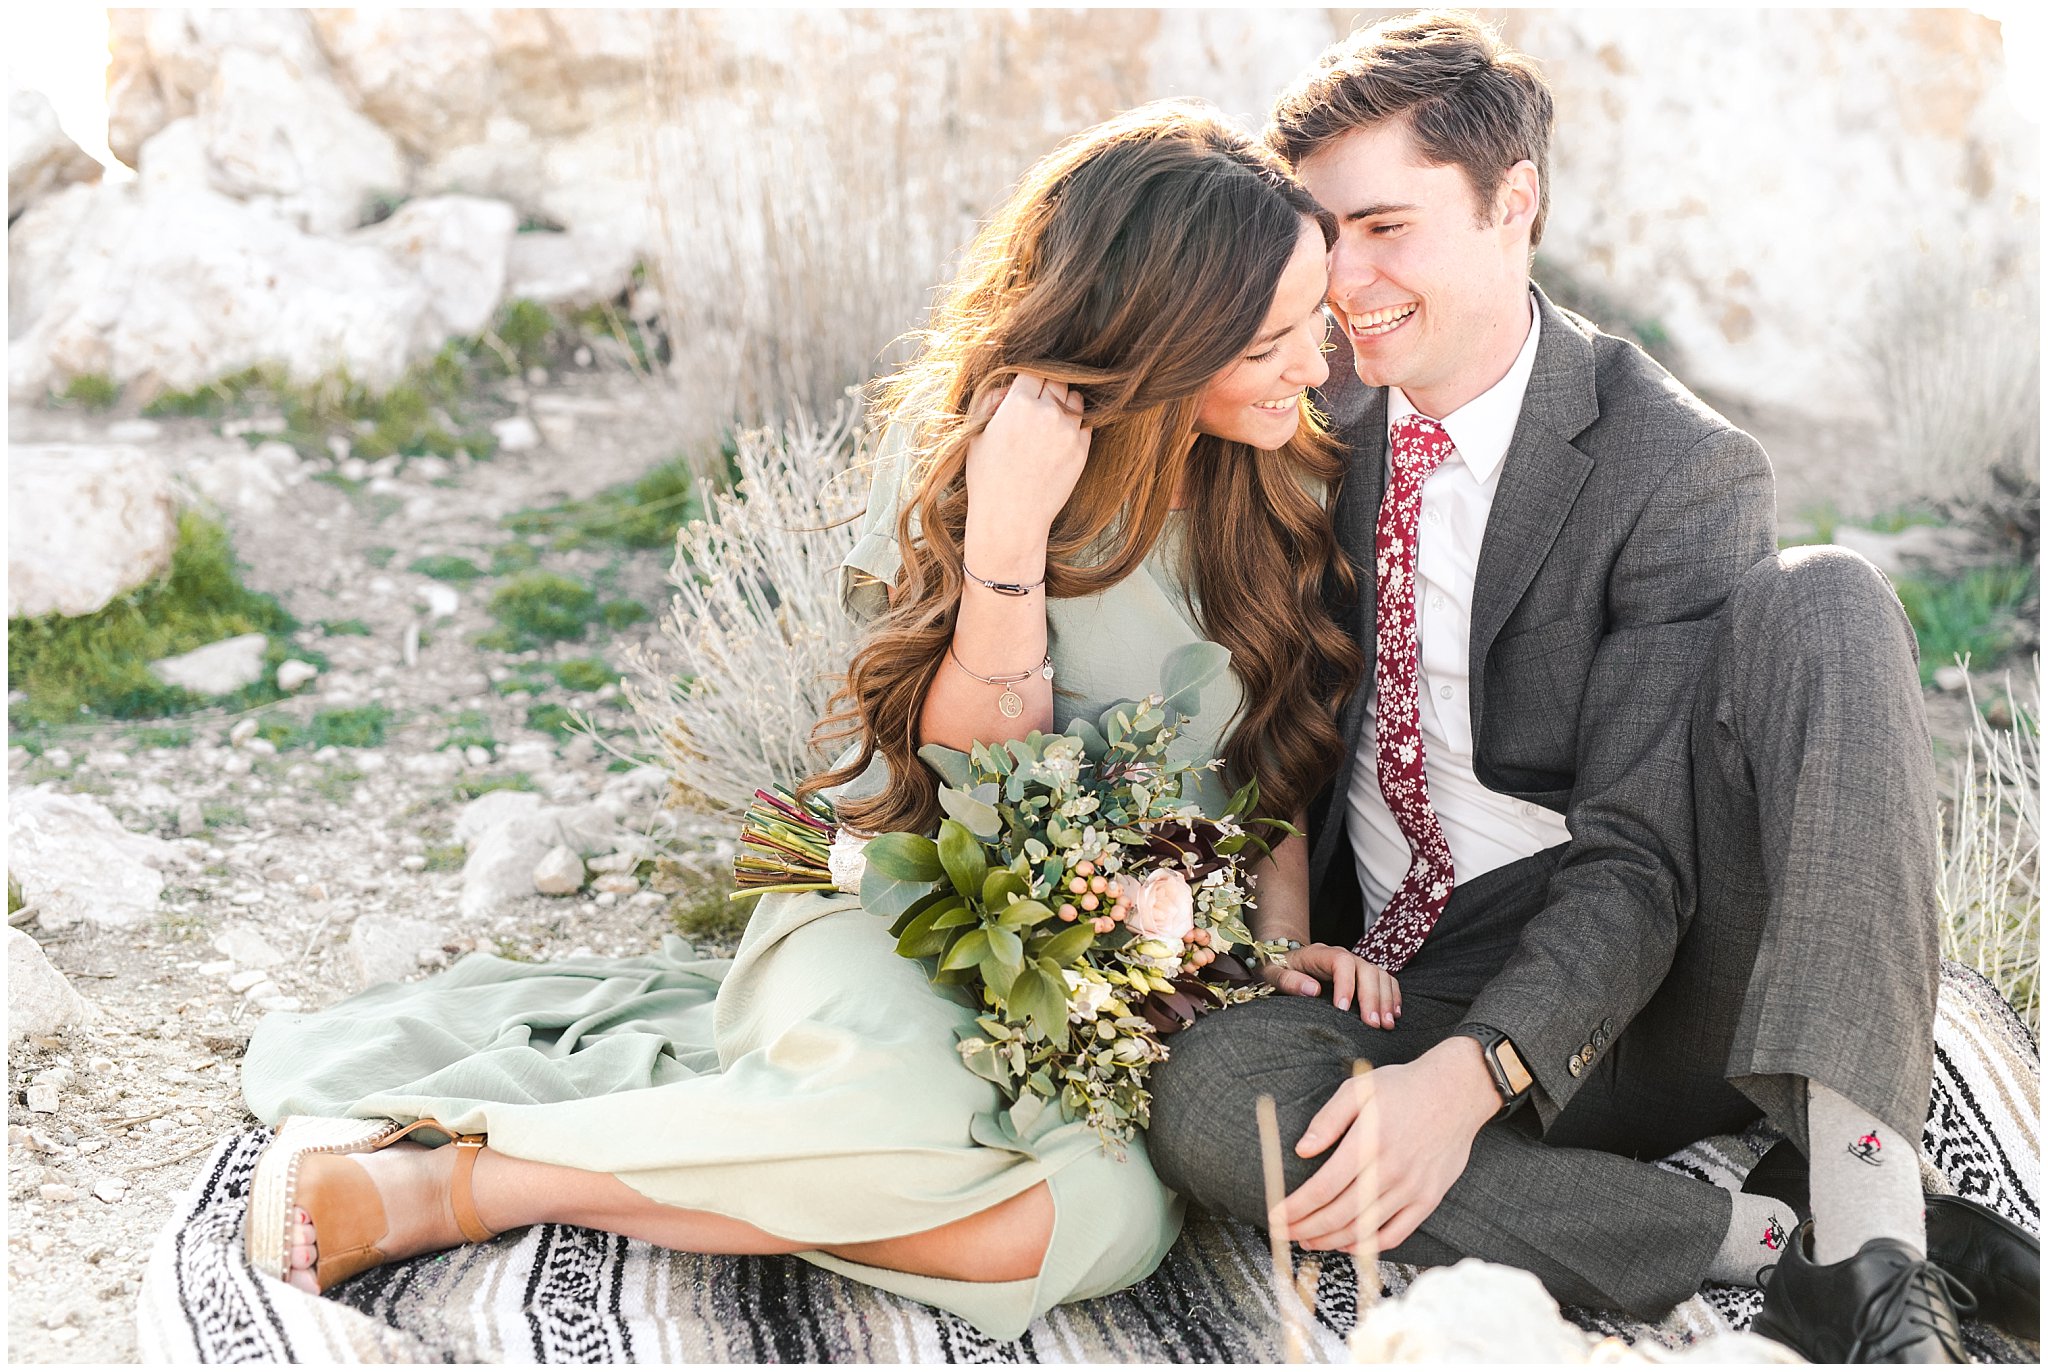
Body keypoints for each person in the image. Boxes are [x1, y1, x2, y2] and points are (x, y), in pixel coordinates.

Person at [238, 100, 1363, 1342]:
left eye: (1313, 319)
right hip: (897, 899)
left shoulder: (1289, 472)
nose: (1314, 365)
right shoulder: (977, 462)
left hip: (1122, 964)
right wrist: (1007, 536)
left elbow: (1274, 762)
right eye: (1268, 342)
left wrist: (1273, 951)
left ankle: (527, 1176)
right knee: (884, 1118)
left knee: (1100, 1219)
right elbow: (970, 769)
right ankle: (437, 1188)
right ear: (1157, 337)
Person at [1144, 11, 2038, 1364]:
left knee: (1830, 597)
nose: (1348, 283)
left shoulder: (1670, 463)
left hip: (1653, 968)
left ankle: (1865, 1238)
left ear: (1518, 206)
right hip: (1407, 971)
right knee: (1217, 1105)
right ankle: (1770, 1245)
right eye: (1327, 238)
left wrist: (1472, 1081)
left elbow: (1636, 859)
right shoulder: (1295, 420)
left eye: (1387, 227)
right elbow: (1262, 720)